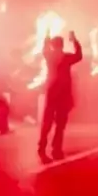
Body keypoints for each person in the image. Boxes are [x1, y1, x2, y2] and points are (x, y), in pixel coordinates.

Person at [38, 32, 83, 162]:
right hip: (63, 92)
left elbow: (44, 48)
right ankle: (56, 149)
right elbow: (79, 55)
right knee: (60, 123)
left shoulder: (49, 56)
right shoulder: (66, 57)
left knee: (48, 121)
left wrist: (46, 36)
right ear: (62, 45)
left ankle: (42, 148)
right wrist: (74, 41)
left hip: (52, 91)